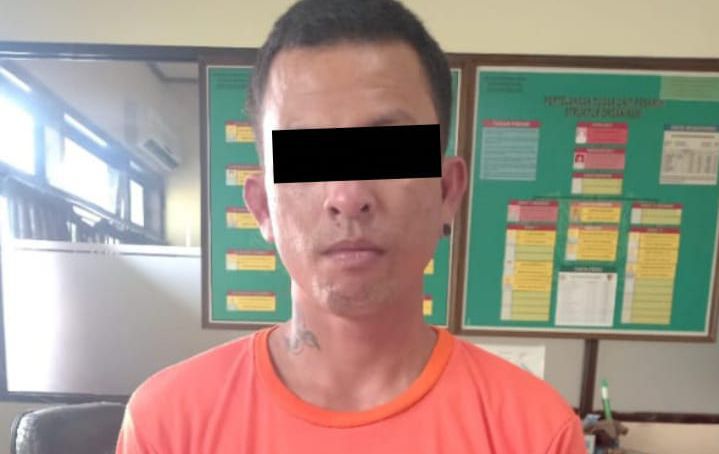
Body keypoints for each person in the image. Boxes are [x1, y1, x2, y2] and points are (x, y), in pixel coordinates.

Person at [116, 0, 586, 452]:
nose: (347, 196)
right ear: (262, 208)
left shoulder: (535, 433)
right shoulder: (168, 425)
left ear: (446, 191)